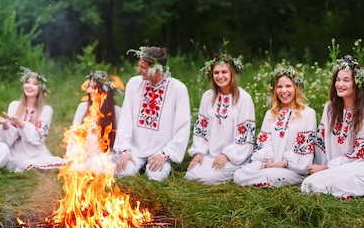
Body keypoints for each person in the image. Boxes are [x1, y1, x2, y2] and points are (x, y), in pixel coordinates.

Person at [301, 55, 364, 198]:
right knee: (308, 184)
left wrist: (327, 168)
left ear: (358, 84)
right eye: (338, 79)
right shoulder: (330, 108)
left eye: (346, 80)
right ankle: (349, 190)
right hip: (339, 167)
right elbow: (321, 141)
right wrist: (316, 165)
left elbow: (360, 153)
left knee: (322, 182)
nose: (340, 84)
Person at [113, 46, 191, 181]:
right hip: (134, 149)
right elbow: (126, 119)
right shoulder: (134, 84)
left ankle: (154, 165)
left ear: (156, 69)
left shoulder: (178, 89)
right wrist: (124, 150)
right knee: (122, 173)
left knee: (156, 176)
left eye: (142, 67)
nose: (138, 70)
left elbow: (183, 126)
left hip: (160, 151)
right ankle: (136, 163)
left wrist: (165, 154)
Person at [233, 66, 316, 187]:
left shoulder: (307, 113)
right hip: (270, 164)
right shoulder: (270, 114)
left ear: (296, 88)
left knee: (271, 176)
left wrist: (283, 163)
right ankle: (264, 177)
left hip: (292, 169)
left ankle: (266, 179)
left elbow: (303, 149)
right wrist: (267, 161)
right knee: (239, 174)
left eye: (288, 86)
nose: (283, 91)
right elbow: (264, 143)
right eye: (279, 87)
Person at [184, 50, 255, 184]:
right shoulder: (208, 96)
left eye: (224, 72)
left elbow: (245, 136)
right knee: (191, 175)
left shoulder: (244, 98)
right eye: (216, 73)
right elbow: (201, 129)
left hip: (235, 156)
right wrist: (199, 152)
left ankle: (232, 171)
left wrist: (227, 155)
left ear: (232, 74)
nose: (220, 76)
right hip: (210, 155)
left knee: (206, 178)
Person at [0, 67, 66, 172]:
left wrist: (21, 123)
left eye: (35, 84)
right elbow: (9, 140)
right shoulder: (14, 105)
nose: (29, 86)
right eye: (27, 82)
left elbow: (38, 138)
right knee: (26, 164)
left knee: (56, 164)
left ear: (41, 89)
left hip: (37, 151)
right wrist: (5, 125)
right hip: (18, 152)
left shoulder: (46, 110)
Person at [66, 70, 123, 173]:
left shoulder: (117, 112)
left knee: (99, 167)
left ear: (104, 91)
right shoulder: (82, 107)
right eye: (89, 87)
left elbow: (121, 142)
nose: (89, 91)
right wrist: (78, 152)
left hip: (106, 158)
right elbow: (73, 136)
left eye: (94, 88)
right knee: (76, 168)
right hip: (84, 156)